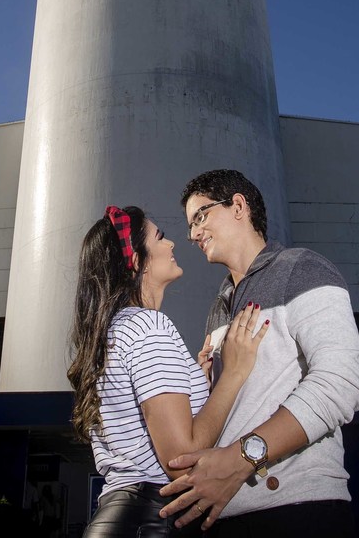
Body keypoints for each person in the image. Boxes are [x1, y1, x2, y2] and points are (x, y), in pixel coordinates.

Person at [158, 169, 359, 536]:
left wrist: (242, 457)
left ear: (238, 206)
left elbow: (342, 382)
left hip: (297, 511)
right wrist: (202, 387)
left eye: (200, 216)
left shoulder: (302, 269)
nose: (192, 234)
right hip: (222, 513)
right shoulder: (218, 307)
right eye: (190, 225)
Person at [69, 205, 269, 537]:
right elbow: (181, 459)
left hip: (120, 516)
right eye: (160, 237)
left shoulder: (114, 332)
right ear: (136, 261)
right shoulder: (149, 327)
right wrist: (232, 372)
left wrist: (195, 383)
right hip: (152, 519)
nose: (172, 244)